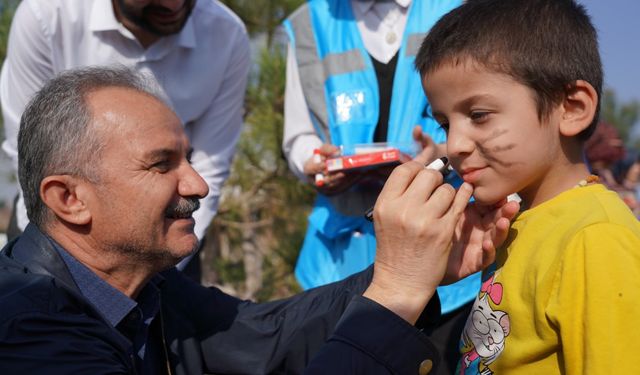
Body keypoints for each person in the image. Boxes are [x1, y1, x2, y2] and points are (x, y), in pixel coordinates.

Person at [0, 66, 520, 374]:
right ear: (69, 198)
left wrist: (410, 269)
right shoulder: (27, 332)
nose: (198, 186)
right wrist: (396, 293)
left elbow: (267, 335)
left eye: (189, 159)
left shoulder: (148, 292)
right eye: (162, 164)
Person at [414, 0, 640, 373]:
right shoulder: (515, 220)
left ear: (571, 107)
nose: (454, 144)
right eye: (444, 124)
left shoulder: (596, 238)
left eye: (478, 116)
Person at [0, 0, 250, 275]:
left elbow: (211, 167)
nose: (174, 4)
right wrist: (59, 273)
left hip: (173, 241)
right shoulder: (46, 16)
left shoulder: (227, 35)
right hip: (51, 234)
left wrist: (166, 269)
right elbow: (30, 159)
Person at [282, 0, 477, 337]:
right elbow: (298, 134)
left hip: (450, 259)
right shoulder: (307, 24)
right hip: (340, 258)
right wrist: (313, 163)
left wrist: (442, 153)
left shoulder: (460, 7)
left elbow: (492, 114)